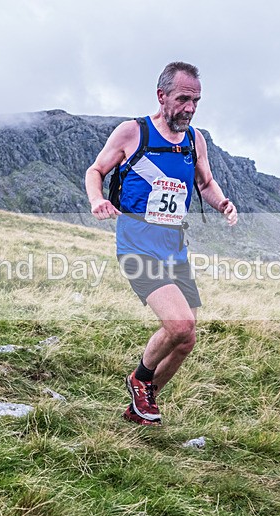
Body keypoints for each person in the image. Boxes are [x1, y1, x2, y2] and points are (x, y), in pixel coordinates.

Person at [85, 61, 238, 426]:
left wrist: (222, 203)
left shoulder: (194, 140)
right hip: (137, 244)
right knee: (181, 324)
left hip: (175, 246)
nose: (190, 108)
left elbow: (205, 183)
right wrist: (96, 200)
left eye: (196, 101)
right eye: (183, 99)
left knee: (185, 341)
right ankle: (140, 380)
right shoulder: (132, 132)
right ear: (161, 95)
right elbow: (96, 171)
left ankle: (140, 407)